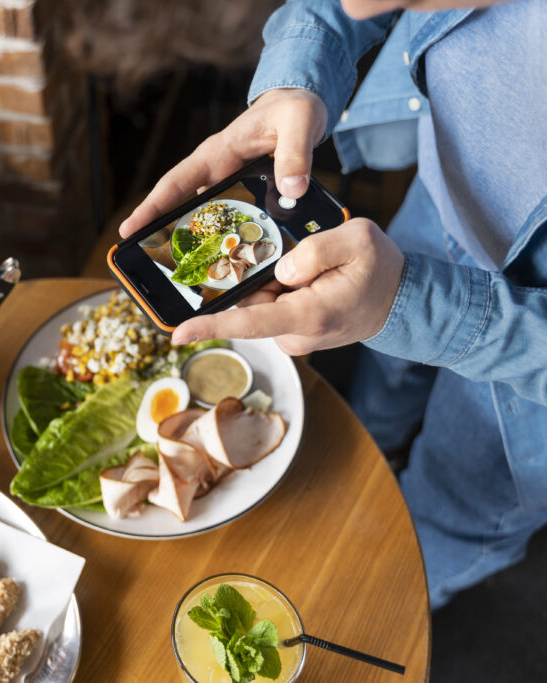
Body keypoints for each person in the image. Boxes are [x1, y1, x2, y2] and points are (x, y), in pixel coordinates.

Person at [120, 0, 547, 610]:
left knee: (458, 509)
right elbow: (336, 9)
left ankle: (379, 601)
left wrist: (414, 307)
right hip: (443, 195)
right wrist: (296, 78)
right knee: (383, 384)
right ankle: (378, 450)